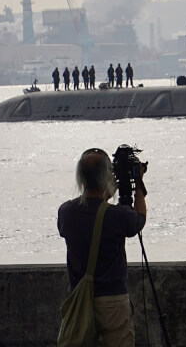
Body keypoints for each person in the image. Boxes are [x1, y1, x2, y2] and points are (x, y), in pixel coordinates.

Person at [57, 148, 146, 346]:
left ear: (80, 177)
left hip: (80, 300)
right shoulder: (117, 215)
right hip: (113, 301)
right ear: (107, 175)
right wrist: (137, 186)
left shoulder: (66, 212)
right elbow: (138, 219)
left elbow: (92, 213)